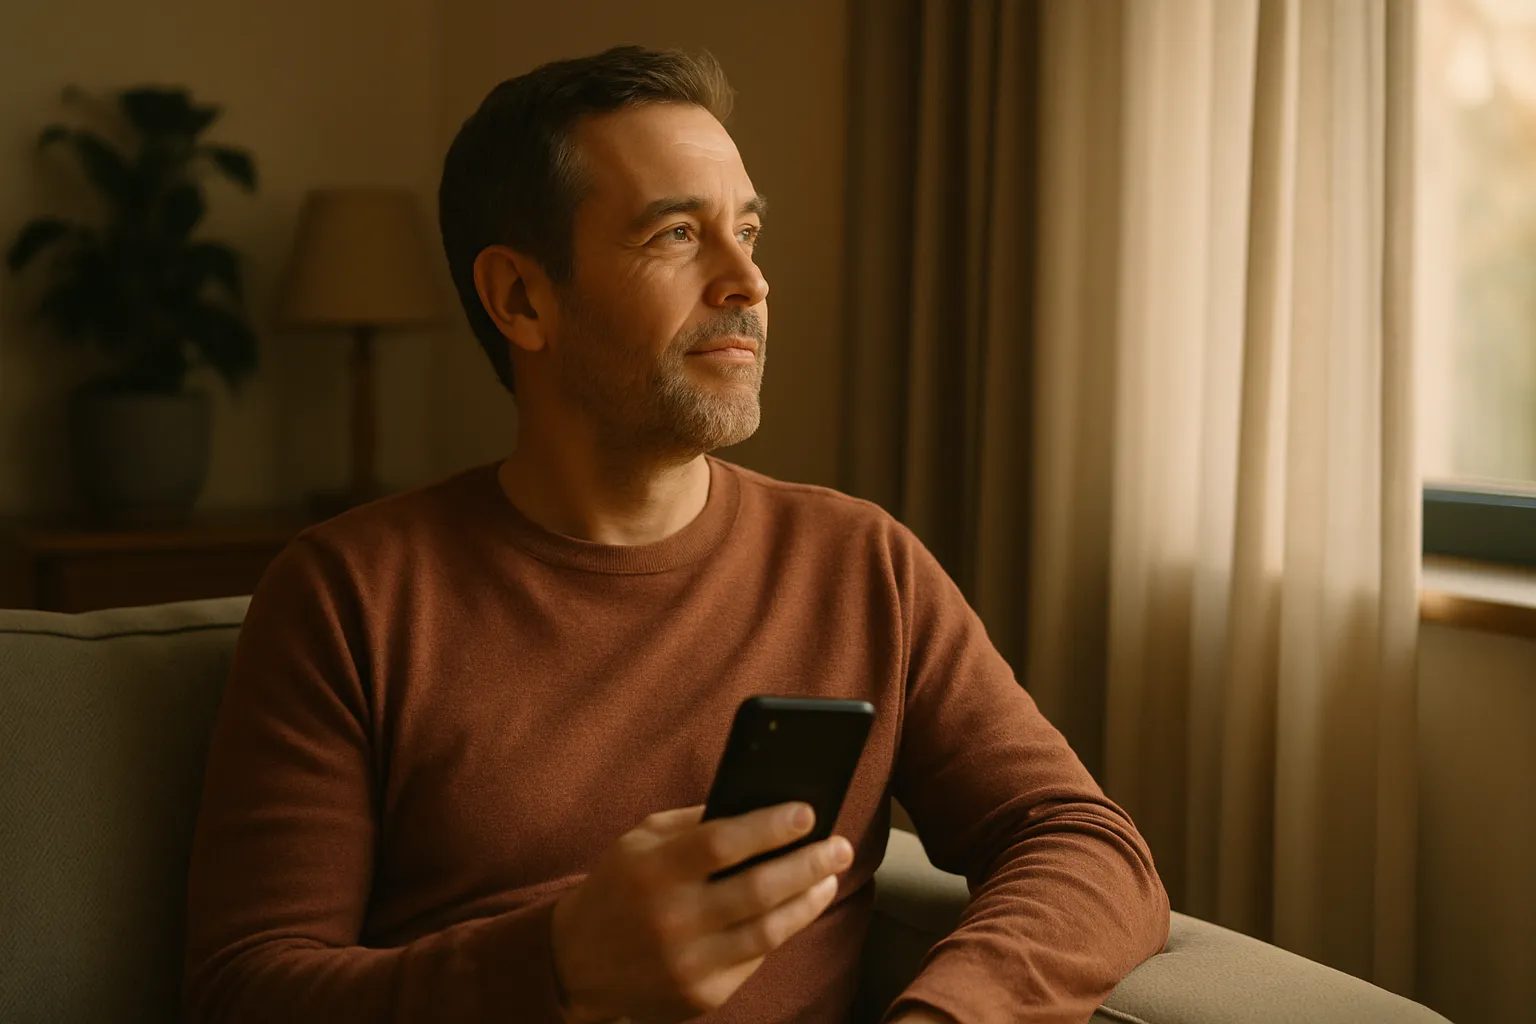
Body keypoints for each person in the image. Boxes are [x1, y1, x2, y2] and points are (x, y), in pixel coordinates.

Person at [181, 45, 1169, 1024]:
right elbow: (246, 988)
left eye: (747, 229)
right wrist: (560, 966)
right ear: (523, 299)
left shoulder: (859, 564)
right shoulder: (348, 593)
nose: (749, 281)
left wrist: (949, 1013)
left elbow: (1081, 840)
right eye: (676, 235)